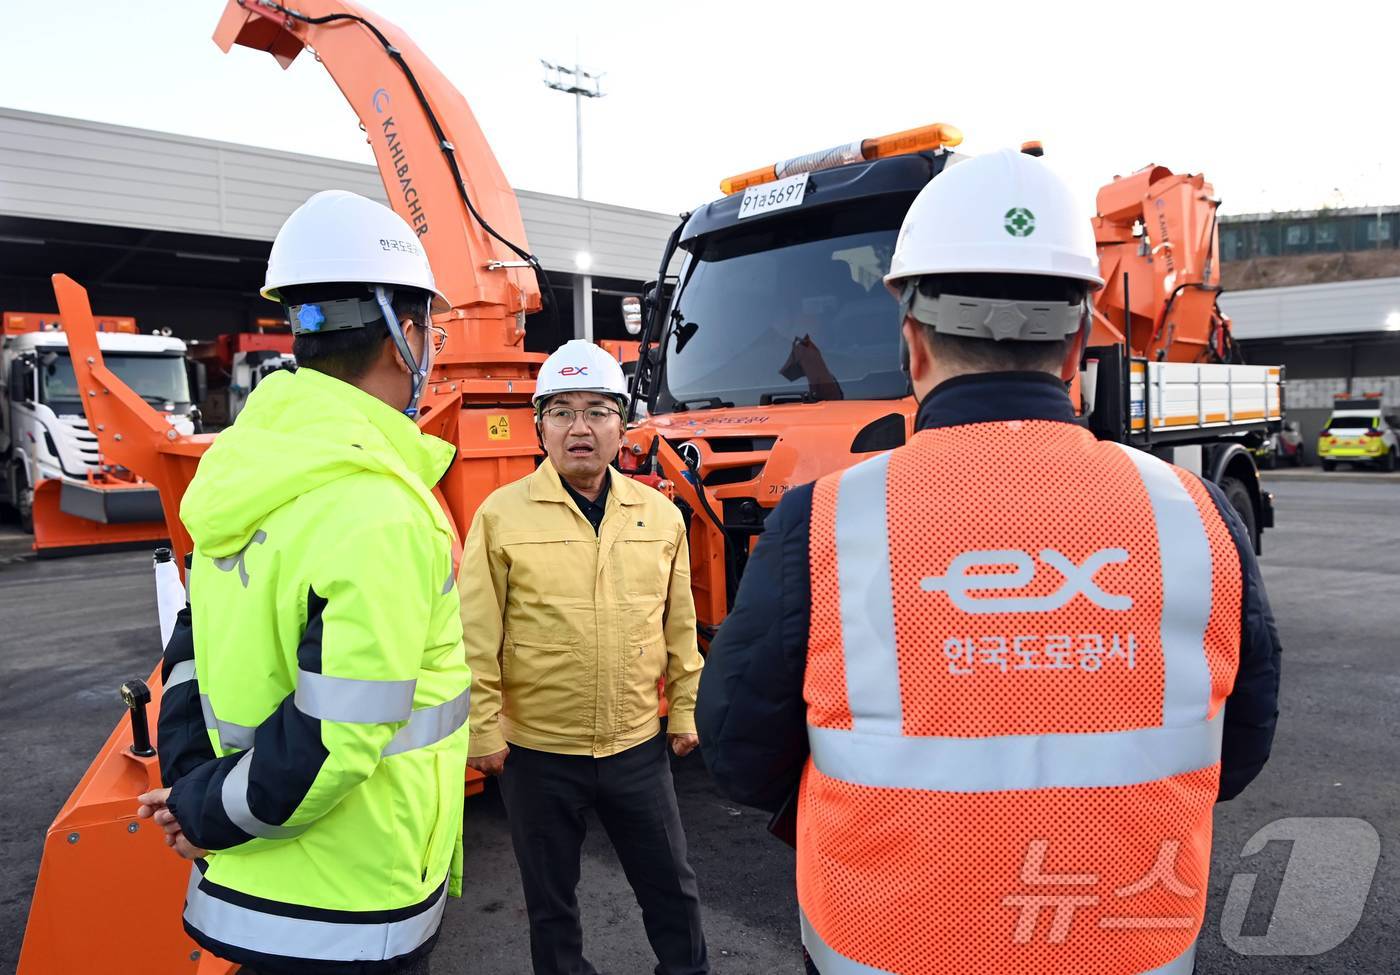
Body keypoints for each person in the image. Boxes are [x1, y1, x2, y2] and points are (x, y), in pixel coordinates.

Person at [696, 149, 1281, 975]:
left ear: (913, 345)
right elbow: (1239, 747)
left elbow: (741, 755)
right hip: (1127, 946)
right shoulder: (1194, 514)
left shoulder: (824, 521)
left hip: (886, 949)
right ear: (1080, 340)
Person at [136, 189, 471, 975]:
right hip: (350, 906)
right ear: (404, 337)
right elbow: (335, 743)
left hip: (254, 890)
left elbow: (190, 652)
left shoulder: (243, 471)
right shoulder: (381, 509)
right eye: (430, 328)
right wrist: (204, 812)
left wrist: (194, 794)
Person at [460, 338, 709, 975]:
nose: (580, 428)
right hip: (538, 754)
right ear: (539, 423)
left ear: (622, 425)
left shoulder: (659, 515)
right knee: (551, 905)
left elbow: (680, 624)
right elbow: (475, 634)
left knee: (672, 892)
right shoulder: (500, 516)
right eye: (563, 411)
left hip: (636, 747)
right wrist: (483, 729)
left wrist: (684, 711)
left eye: (598, 411)